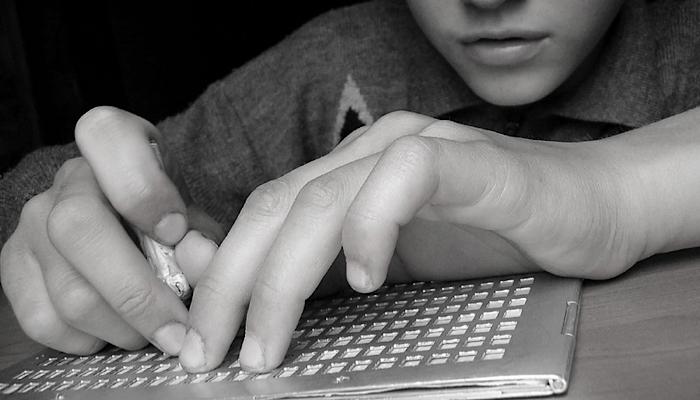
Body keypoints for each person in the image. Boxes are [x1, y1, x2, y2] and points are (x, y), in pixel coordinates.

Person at [1, 0, 699, 375]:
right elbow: (50, 189)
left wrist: (620, 190)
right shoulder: (333, 63)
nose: (487, 0)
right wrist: (72, 216)